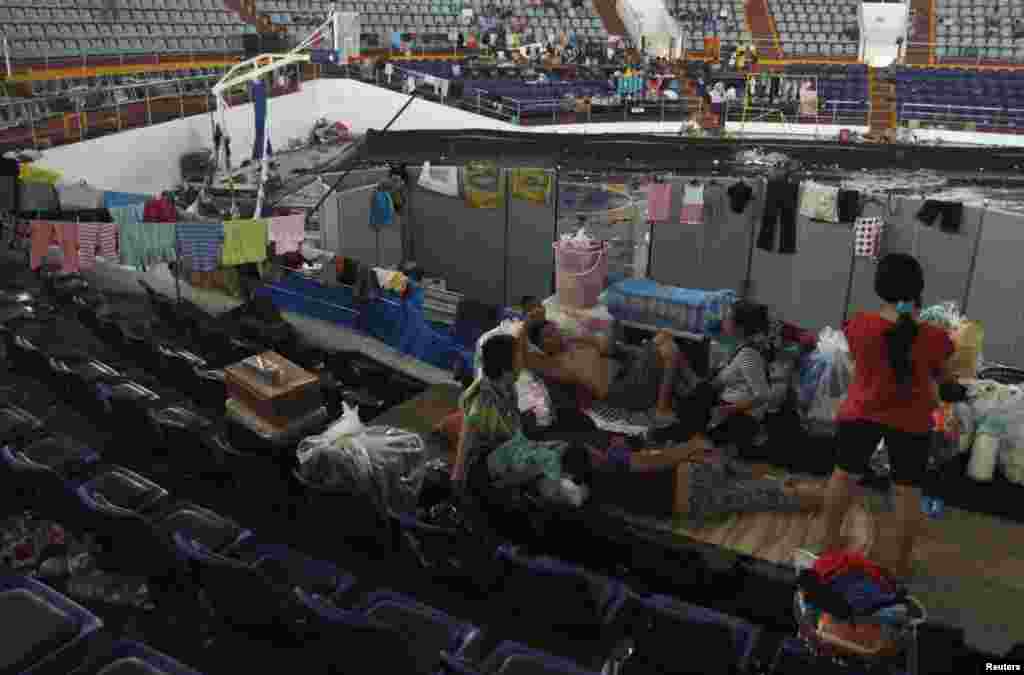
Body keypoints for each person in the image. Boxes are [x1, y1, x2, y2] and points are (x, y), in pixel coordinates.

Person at [821, 254, 958, 578]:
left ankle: (828, 544)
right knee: (907, 492)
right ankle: (900, 563)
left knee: (844, 477)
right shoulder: (936, 338)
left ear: (879, 287)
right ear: (918, 288)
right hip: (911, 420)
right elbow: (946, 380)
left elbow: (863, 364)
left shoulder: (857, 325)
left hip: (861, 412)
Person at [452, 331, 590, 504]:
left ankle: (554, 485)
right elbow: (467, 438)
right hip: (485, 465)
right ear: (505, 367)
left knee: (562, 448)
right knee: (547, 457)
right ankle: (546, 487)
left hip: (507, 451)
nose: (523, 363)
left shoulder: (509, 389)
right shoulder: (483, 398)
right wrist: (457, 479)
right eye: (519, 359)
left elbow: (516, 436)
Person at [524, 320, 695, 426]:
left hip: (630, 372)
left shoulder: (576, 343)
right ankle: (662, 408)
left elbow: (608, 347)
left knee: (665, 335)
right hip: (624, 391)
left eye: (554, 329)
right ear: (541, 346)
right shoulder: (555, 365)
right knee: (669, 348)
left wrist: (585, 337)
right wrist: (530, 320)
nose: (555, 335)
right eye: (548, 335)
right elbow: (527, 357)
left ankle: (695, 387)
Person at [707, 301, 786, 456]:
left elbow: (763, 395)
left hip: (739, 418)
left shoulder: (748, 354)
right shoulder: (740, 348)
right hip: (731, 411)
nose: (723, 320)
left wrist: (726, 410)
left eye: (728, 318)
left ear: (740, 328)